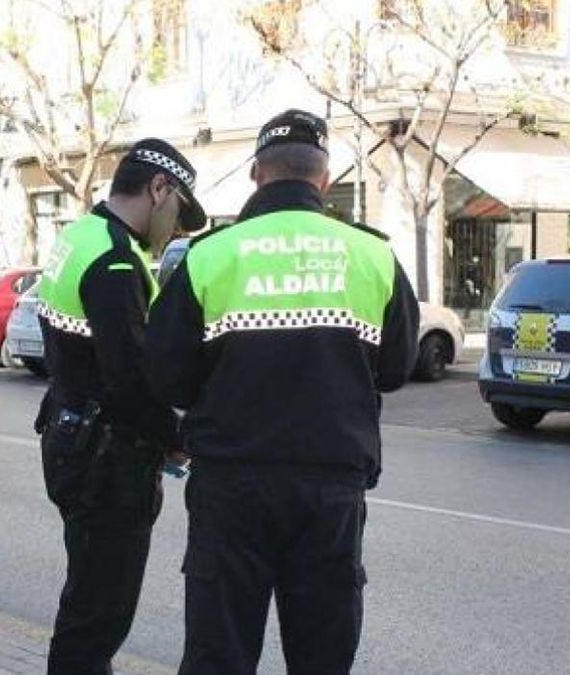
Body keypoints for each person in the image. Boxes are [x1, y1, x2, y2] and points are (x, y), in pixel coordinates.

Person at [145, 110, 419, 674]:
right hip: (329, 489)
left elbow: (167, 375)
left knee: (218, 656)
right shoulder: (372, 255)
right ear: (324, 179)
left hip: (231, 489)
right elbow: (395, 369)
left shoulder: (210, 255)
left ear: (257, 176)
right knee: (322, 657)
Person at [34, 138, 205, 674]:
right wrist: (177, 440)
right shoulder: (115, 263)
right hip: (106, 463)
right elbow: (129, 382)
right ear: (159, 189)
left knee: (87, 602)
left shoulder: (80, 235)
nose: (175, 227)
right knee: (97, 618)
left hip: (71, 437)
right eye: (178, 210)